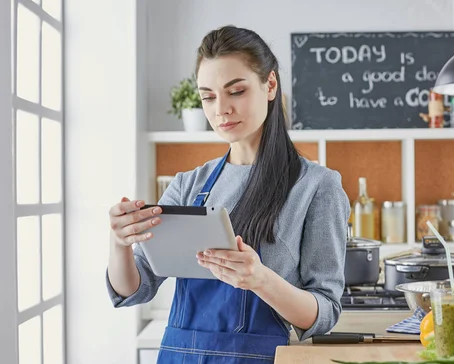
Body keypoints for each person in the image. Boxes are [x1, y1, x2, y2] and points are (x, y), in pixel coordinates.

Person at [106, 25, 351, 363]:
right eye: (208, 96)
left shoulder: (316, 186)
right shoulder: (189, 185)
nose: (220, 109)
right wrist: (120, 242)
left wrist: (260, 279)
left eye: (235, 91)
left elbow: (324, 313)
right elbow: (133, 289)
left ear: (270, 85)